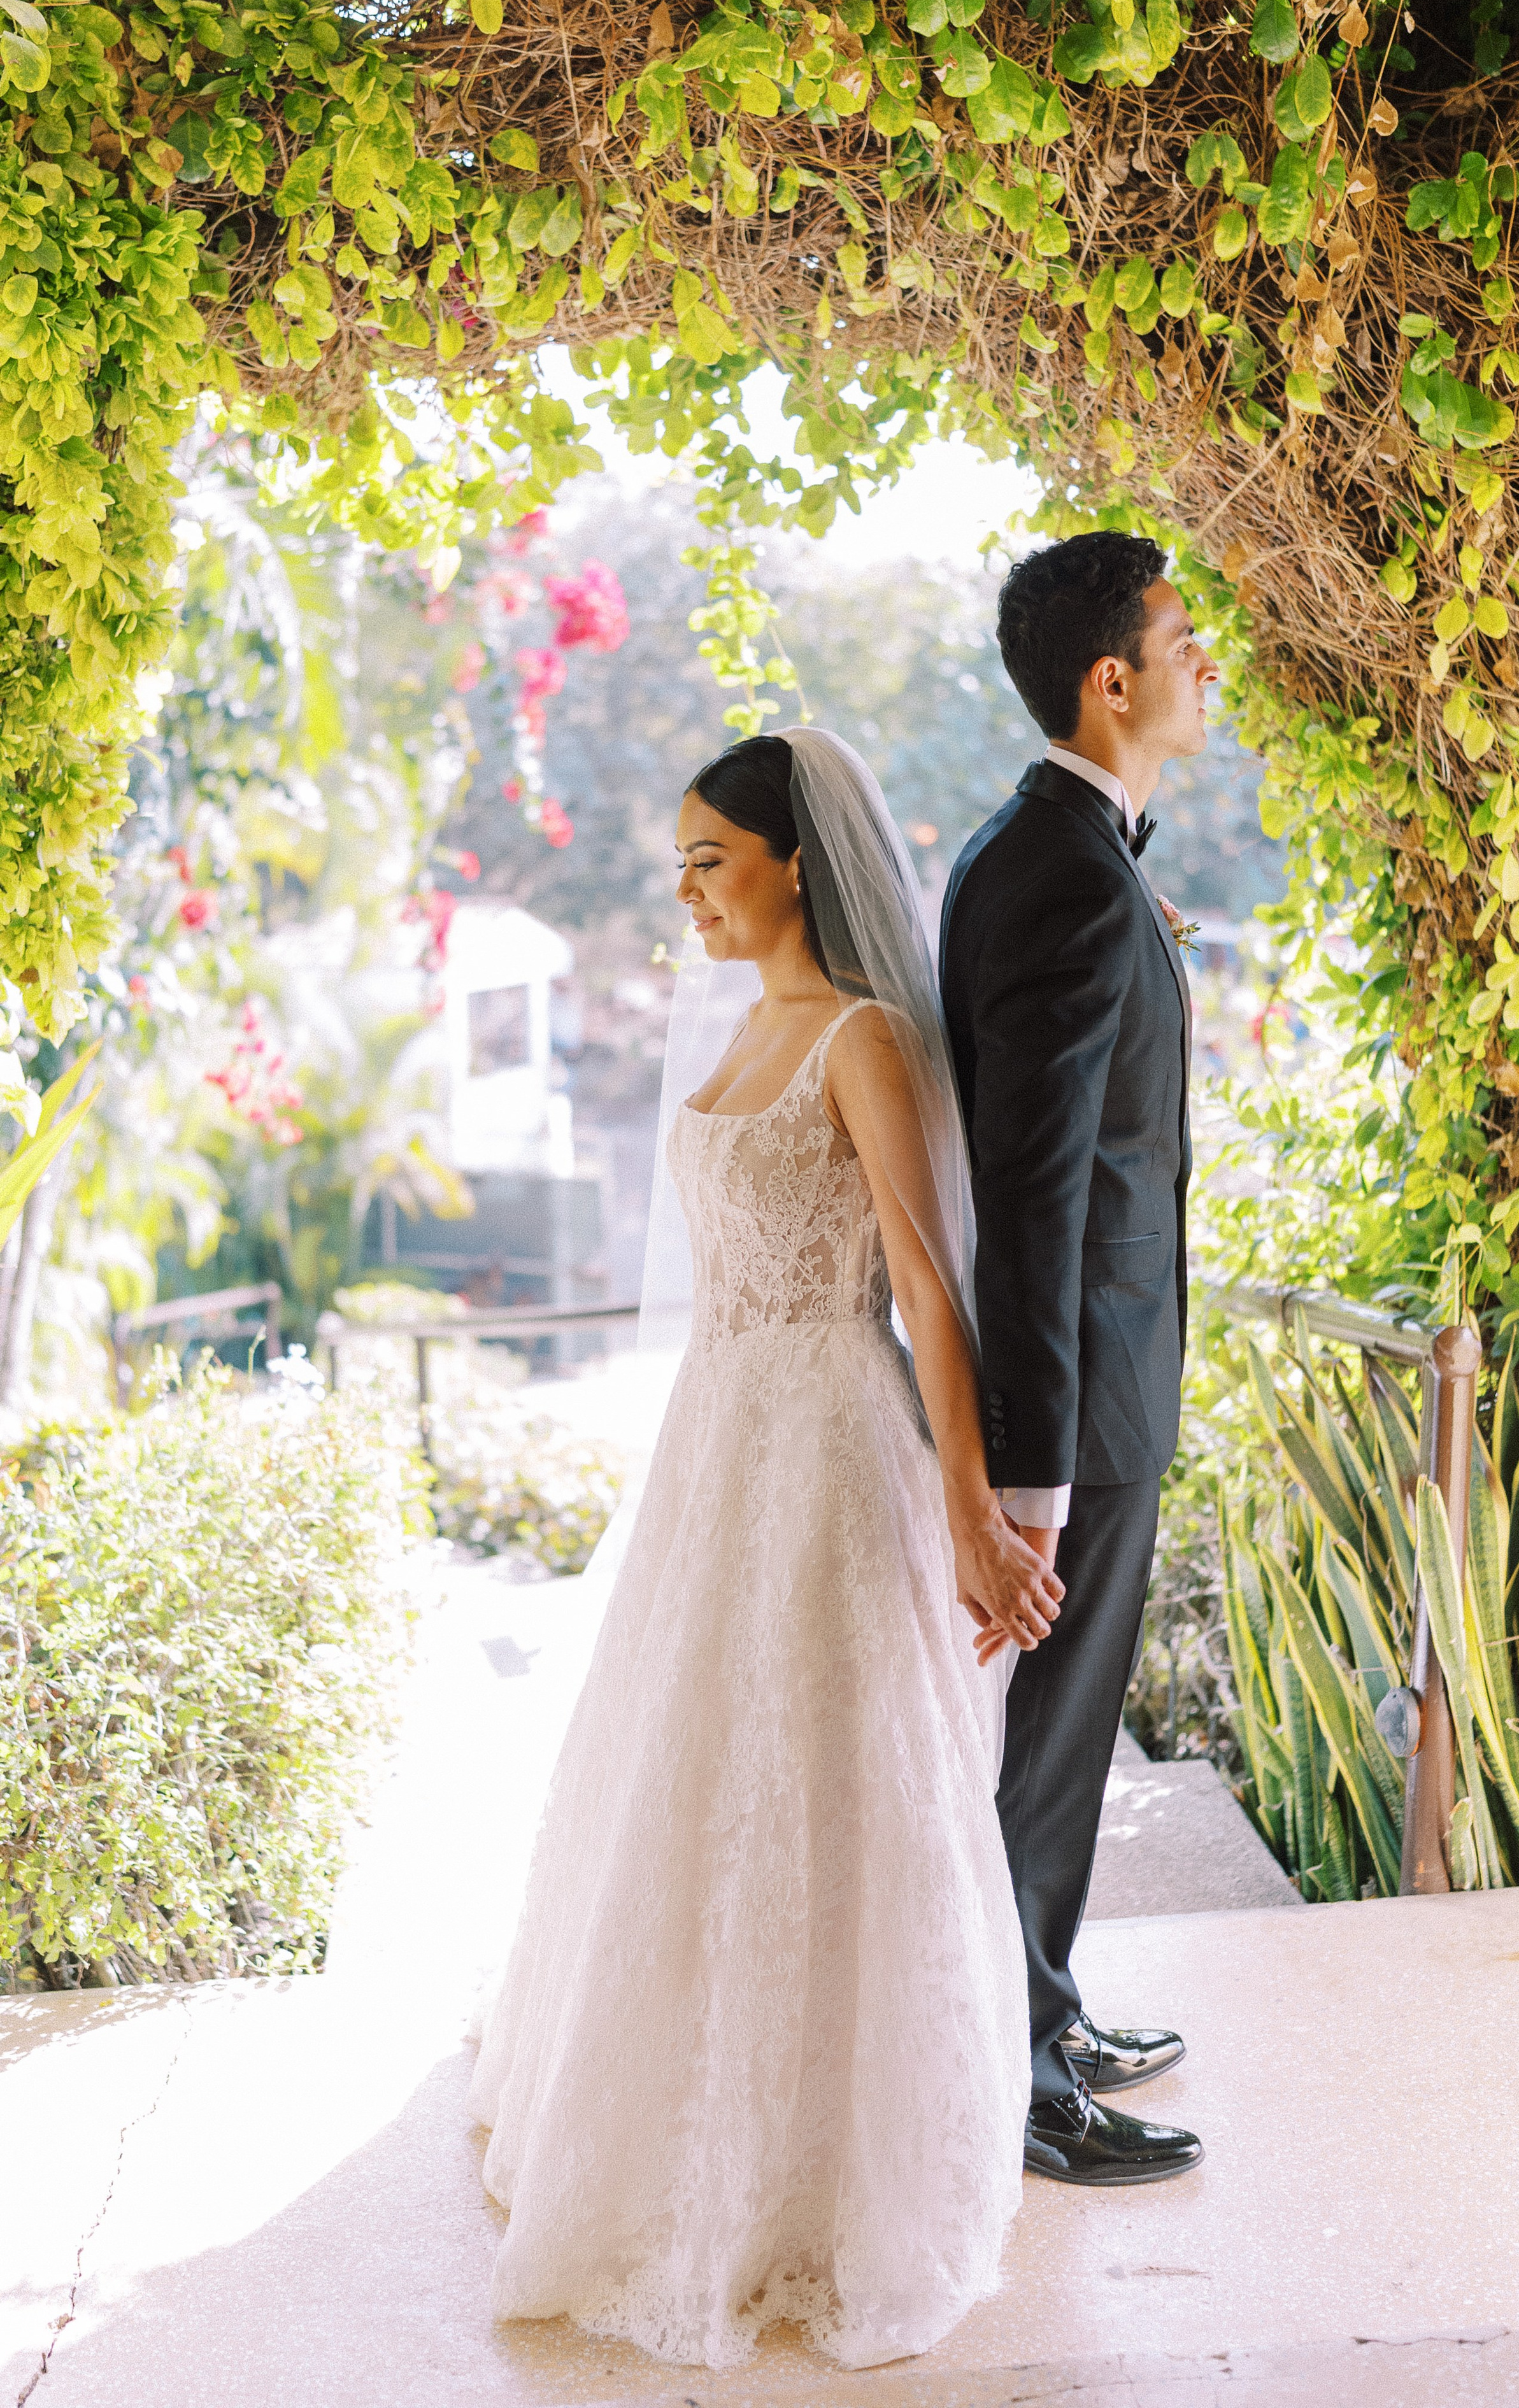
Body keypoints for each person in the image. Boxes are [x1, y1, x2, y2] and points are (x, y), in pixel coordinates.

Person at [471, 727, 1059, 2370]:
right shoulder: (743, 1025)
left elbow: (928, 1293)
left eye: (711, 862)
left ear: (798, 861)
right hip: (717, 1446)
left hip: (833, 1447)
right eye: (680, 865)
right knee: (692, 1779)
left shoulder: (865, 1039)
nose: (688, 894)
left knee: (825, 1791)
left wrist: (975, 1516)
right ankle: (671, 2123)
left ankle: (822, 2174)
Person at [939, 531, 1218, 2186]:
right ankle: (1021, 2082)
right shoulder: (1059, 870)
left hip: (1103, 1383)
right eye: (1184, 643)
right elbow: (1033, 1196)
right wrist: (1029, 1471)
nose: (1206, 667)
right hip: (1080, 1404)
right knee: (1042, 1753)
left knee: (1061, 1741)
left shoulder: (1059, 847)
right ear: (1110, 680)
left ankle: (1041, 2002)